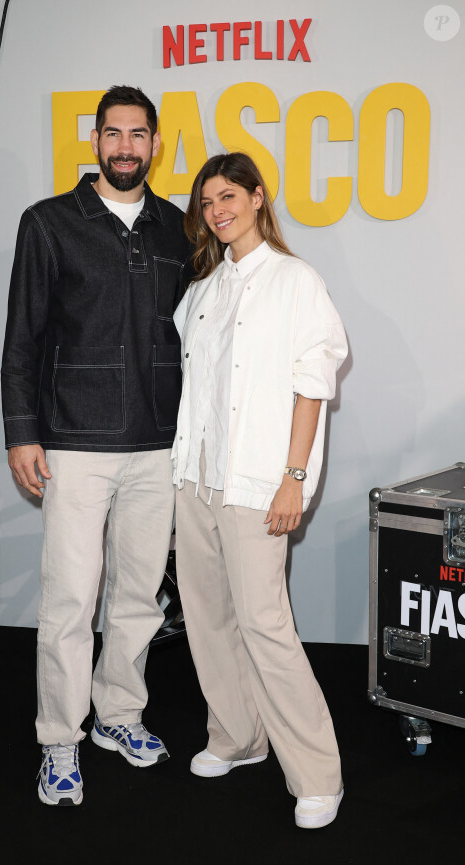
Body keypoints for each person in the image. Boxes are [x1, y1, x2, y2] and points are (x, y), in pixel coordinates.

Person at [1, 85, 191, 806]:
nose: (124, 147)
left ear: (155, 144)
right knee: (72, 601)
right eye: (112, 134)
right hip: (74, 444)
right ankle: (59, 740)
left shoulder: (177, 228)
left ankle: (119, 715)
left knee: (139, 598)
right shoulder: (49, 224)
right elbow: (22, 337)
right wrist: (22, 431)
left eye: (137, 135)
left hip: (157, 446)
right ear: (94, 142)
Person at [171, 152, 348, 829]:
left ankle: (316, 774)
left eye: (227, 196)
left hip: (257, 485)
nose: (217, 210)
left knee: (266, 625)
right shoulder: (205, 291)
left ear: (256, 196)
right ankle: (237, 737)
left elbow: (313, 384)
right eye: (207, 202)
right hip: (198, 478)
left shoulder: (296, 280)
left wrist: (294, 479)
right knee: (209, 620)